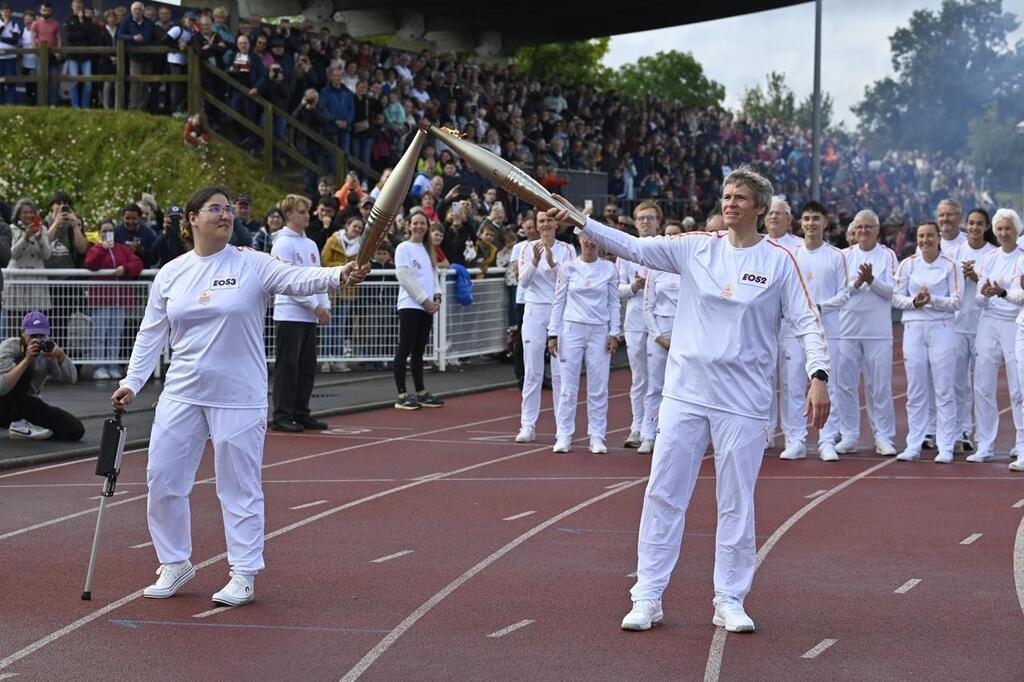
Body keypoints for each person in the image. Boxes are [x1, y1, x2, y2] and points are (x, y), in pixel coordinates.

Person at [548, 167, 829, 635]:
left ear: (760, 208)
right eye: (726, 195)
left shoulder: (781, 260)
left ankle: (730, 598)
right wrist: (580, 221)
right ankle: (648, 595)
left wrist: (818, 374)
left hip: (743, 400)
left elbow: (807, 322)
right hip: (685, 393)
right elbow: (634, 247)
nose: (731, 203)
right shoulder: (697, 246)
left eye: (741, 197)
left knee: (736, 501)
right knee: (664, 492)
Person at [110, 186, 368, 607]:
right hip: (182, 393)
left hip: (239, 396)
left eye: (229, 209)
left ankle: (243, 572)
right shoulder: (172, 273)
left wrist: (339, 275)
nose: (226, 215)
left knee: (238, 487)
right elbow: (151, 333)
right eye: (215, 209)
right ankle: (174, 561)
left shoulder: (251, 262)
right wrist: (132, 382)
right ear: (192, 218)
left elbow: (298, 278)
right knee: (163, 479)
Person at [778, 200, 849, 461]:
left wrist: (819, 306)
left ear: (825, 222)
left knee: (827, 384)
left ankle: (827, 440)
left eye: (816, 219)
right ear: (800, 222)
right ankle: (796, 438)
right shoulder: (791, 254)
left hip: (827, 329)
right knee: (793, 384)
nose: (811, 224)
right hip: (794, 330)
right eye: (806, 218)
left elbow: (844, 294)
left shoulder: (836, 256)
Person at [892, 222, 961, 463]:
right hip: (914, 327)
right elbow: (896, 297)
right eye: (921, 236)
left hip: (942, 327)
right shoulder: (908, 264)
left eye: (930, 235)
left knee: (943, 388)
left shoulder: (950, 266)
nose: (925, 240)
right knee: (916, 389)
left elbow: (956, 301)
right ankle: (914, 444)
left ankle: (946, 446)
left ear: (938, 238)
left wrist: (933, 300)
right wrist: (914, 302)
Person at [547, 233, 620, 453]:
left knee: (598, 386)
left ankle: (597, 436)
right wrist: (553, 333)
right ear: (579, 240)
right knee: (568, 388)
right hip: (571, 330)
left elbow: (614, 302)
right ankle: (564, 435)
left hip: (599, 330)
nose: (589, 242)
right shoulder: (568, 267)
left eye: (593, 238)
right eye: (585, 238)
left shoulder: (609, 268)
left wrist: (614, 332)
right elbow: (558, 301)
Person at [835, 210, 899, 456]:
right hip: (846, 330)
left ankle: (883, 436)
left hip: (878, 331)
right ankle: (849, 434)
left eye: (868, 227)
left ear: (877, 230)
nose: (863, 231)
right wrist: (857, 283)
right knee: (845, 385)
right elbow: (839, 293)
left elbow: (892, 292)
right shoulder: (843, 256)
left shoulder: (887, 255)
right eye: (859, 227)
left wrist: (872, 280)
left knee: (879, 386)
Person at [270, 194, 331, 432]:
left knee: (306, 366)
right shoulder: (283, 243)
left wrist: (324, 304)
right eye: (302, 212)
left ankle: (301, 411)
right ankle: (282, 413)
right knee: (288, 366)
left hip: (308, 315)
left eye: (307, 211)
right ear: (290, 215)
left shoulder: (311, 244)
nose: (307, 215)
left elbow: (318, 276)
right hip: (290, 314)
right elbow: (287, 281)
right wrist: (313, 305)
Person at [514, 210, 575, 443]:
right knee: (532, 370)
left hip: (559, 311)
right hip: (534, 310)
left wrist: (552, 263)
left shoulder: (567, 249)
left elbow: (569, 278)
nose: (545, 224)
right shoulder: (525, 248)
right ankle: (527, 425)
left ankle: (563, 429)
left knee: (560, 372)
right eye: (541, 221)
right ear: (536, 225)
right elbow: (524, 281)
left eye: (549, 220)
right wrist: (536, 261)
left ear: (556, 224)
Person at [970, 209, 1024, 463]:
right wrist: (988, 295)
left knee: (1018, 388)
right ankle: (985, 445)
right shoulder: (989, 258)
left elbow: (1018, 296)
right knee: (983, 385)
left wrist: (1001, 293)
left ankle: (1022, 445)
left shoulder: (1022, 258)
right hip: (988, 322)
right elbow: (979, 297)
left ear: (1016, 230)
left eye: (1008, 229)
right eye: (1000, 229)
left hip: (1013, 324)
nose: (1003, 234)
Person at [951, 209, 996, 454]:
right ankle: (960, 432)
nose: (974, 228)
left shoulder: (993, 254)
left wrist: (976, 277)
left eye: (979, 224)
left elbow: (997, 290)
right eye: (971, 223)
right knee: (958, 383)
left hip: (983, 325)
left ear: (987, 226)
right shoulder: (953, 253)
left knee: (981, 384)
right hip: (957, 326)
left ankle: (982, 436)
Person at [0, 311, 84, 441]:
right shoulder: (9, 347)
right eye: (33, 335)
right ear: (23, 333)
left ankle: (30, 427)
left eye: (41, 336)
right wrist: (26, 360)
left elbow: (71, 379)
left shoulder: (47, 351)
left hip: (29, 403)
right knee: (21, 367)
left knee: (75, 430)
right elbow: (1, 388)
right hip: (4, 402)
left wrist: (61, 357)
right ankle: (18, 425)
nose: (37, 340)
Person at [638, 223, 683, 455]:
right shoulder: (655, 269)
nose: (672, 239)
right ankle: (648, 433)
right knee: (655, 387)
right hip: (659, 335)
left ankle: (675, 436)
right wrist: (659, 337)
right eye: (668, 236)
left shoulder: (690, 267)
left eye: (676, 235)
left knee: (683, 389)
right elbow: (647, 306)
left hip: (685, 335)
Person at [618, 201, 660, 449]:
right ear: (635, 222)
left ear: (658, 222)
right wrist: (633, 287)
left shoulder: (665, 248)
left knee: (659, 379)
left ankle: (654, 427)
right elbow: (617, 289)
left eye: (650, 218)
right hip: (635, 322)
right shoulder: (626, 253)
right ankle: (636, 426)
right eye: (642, 218)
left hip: (661, 323)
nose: (645, 222)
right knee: (639, 378)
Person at [393, 208, 444, 410]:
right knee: (405, 347)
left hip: (426, 307)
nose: (419, 226)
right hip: (410, 305)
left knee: (419, 351)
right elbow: (406, 278)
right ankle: (402, 394)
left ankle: (421, 391)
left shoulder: (427, 249)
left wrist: (437, 297)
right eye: (415, 223)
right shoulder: (403, 248)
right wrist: (425, 300)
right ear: (408, 226)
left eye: (423, 223)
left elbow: (433, 276)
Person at [83, 220, 143, 379]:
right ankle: (99, 367)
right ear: (99, 232)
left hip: (119, 300)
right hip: (101, 300)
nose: (107, 233)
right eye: (104, 230)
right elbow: (90, 264)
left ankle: (113, 365)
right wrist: (102, 250)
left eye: (110, 230)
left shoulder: (122, 249)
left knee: (115, 335)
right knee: (99, 334)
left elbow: (137, 263)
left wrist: (125, 269)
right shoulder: (94, 249)